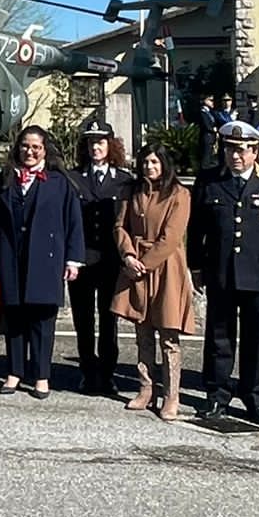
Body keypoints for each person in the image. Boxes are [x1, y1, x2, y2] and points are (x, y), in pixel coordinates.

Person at [187, 120, 259, 426]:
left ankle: (255, 399)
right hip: (222, 272)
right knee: (219, 338)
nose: (235, 156)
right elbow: (196, 228)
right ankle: (216, 396)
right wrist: (196, 267)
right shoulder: (210, 181)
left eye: (241, 150)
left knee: (258, 340)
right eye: (229, 149)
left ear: (256, 151)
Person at [0, 126, 84, 399]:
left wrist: (73, 260)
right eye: (25, 146)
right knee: (15, 318)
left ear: (45, 150)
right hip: (10, 258)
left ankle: (41, 376)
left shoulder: (59, 182)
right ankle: (14, 372)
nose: (29, 152)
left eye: (36, 147)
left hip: (46, 260)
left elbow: (73, 222)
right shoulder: (5, 179)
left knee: (42, 321)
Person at [109, 144, 194, 421]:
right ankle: (146, 388)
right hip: (135, 265)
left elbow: (172, 237)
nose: (150, 167)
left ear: (165, 164)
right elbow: (120, 226)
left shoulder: (179, 194)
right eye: (146, 162)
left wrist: (146, 263)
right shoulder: (130, 191)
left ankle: (172, 395)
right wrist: (128, 256)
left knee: (168, 335)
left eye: (155, 162)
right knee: (142, 332)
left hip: (166, 266)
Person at [68, 124, 134, 395]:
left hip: (110, 260)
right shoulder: (74, 177)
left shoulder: (124, 180)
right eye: (91, 143)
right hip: (82, 258)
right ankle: (87, 372)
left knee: (109, 320)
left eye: (101, 142)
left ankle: (107, 374)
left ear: (111, 146)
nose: (95, 148)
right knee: (83, 321)